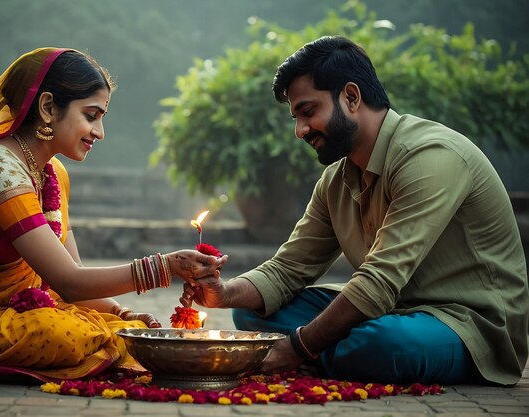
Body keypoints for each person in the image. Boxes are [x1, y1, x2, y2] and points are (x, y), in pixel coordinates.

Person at [182, 36, 528, 386]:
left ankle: (332, 353)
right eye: (296, 117)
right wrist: (224, 293)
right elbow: (288, 270)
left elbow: (379, 282)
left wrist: (299, 346)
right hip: (389, 312)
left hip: (465, 324)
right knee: (252, 312)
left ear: (350, 97)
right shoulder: (336, 179)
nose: (300, 130)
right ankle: (342, 353)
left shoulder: (430, 157)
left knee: (383, 344)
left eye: (308, 112)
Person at [0, 47, 227, 382]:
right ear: (47, 108)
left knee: (129, 329)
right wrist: (166, 267)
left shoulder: (52, 173)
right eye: (91, 115)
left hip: (12, 307)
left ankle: (123, 340)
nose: (99, 132)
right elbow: (68, 283)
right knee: (58, 334)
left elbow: (73, 276)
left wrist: (123, 312)